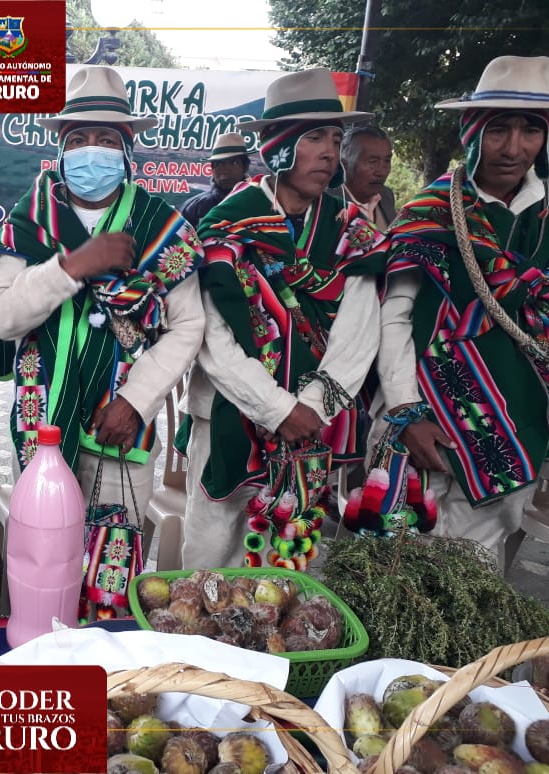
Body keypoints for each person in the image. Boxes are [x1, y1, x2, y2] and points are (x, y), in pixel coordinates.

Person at [183, 68, 388, 571]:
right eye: (312, 137)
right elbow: (213, 335)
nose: (327, 152)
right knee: (213, 550)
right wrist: (277, 408)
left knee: (296, 555)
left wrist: (313, 405)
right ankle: (197, 652)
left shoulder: (351, 231)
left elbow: (359, 331)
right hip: (228, 413)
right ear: (278, 145)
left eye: (335, 139)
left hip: (316, 422)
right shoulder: (227, 224)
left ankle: (282, 651)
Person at [0, 66, 205, 519]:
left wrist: (136, 402)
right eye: (78, 140)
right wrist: (75, 266)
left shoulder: (158, 226)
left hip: (119, 429)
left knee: (111, 567)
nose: (91, 151)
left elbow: (188, 325)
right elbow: (2, 319)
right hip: (41, 419)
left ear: (125, 151)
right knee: (42, 563)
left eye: (105, 139)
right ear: (61, 150)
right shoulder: (30, 219)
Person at [378, 55, 549, 571]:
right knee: (404, 573)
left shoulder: (548, 220)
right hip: (429, 420)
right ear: (472, 131)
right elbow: (395, 316)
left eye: (530, 131)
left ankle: (463, 658)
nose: (514, 148)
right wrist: (406, 411)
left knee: (479, 574)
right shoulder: (431, 213)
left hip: (519, 423)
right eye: (498, 129)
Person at [329, 125, 396, 229]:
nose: (381, 171)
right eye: (372, 162)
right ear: (344, 162)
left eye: (387, 161)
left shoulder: (386, 195)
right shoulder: (327, 202)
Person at [180, 131, 251, 226]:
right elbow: (181, 240)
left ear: (245, 167)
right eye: (219, 164)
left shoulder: (261, 203)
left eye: (233, 163)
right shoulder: (195, 208)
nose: (225, 170)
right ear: (212, 169)